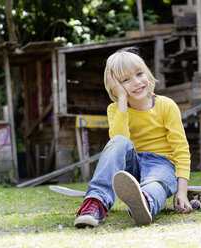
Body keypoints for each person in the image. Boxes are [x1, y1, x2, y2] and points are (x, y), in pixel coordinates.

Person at [74, 47, 192, 228]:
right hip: (132, 167)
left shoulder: (166, 106)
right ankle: (95, 203)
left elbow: (181, 150)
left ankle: (145, 202)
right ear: (115, 86)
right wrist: (122, 98)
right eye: (125, 80)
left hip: (162, 164)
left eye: (139, 74)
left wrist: (182, 191)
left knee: (156, 182)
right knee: (118, 142)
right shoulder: (115, 109)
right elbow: (120, 141)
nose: (136, 82)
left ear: (147, 73)